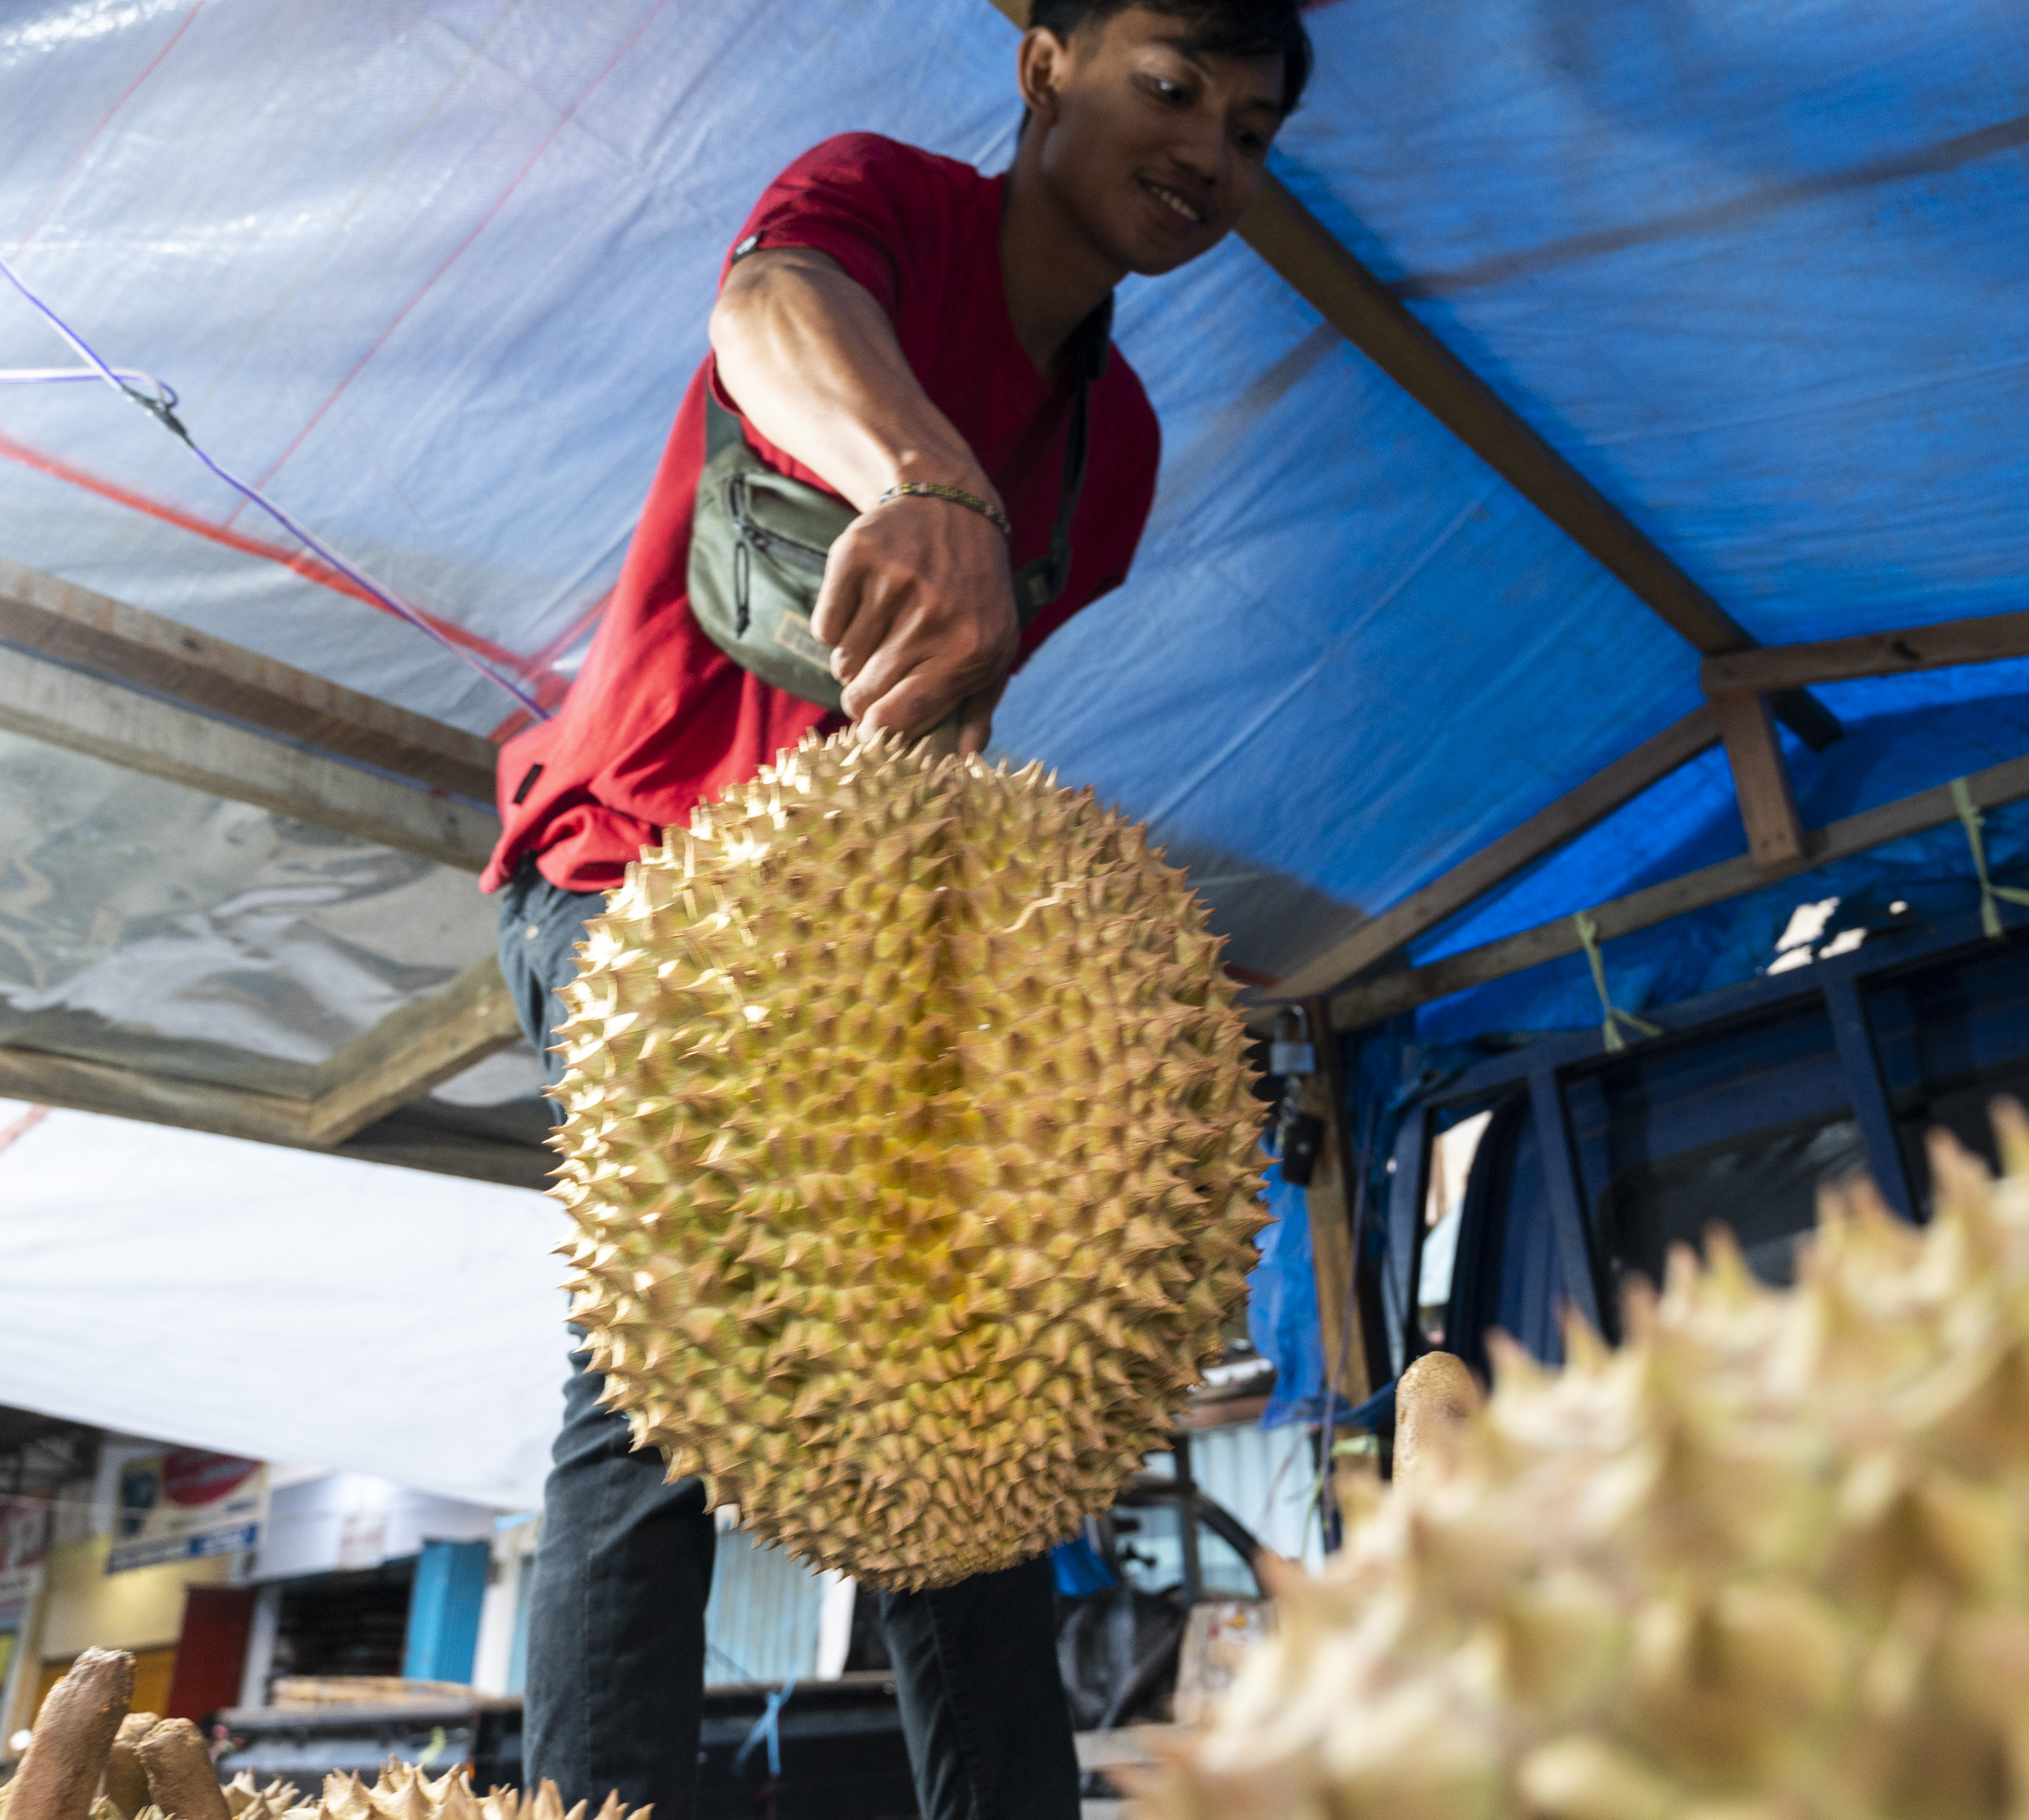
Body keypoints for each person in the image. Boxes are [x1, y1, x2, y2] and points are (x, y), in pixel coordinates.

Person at [477, 3, 1312, 1817]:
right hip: (632, 867)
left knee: (977, 1424)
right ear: (1046, 62)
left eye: (1249, 132)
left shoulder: (1119, 454)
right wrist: (923, 480)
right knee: (655, 1406)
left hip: (864, 951)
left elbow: (945, 712)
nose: (1206, 155)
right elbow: (765, 314)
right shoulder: (879, 213)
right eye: (1171, 88)